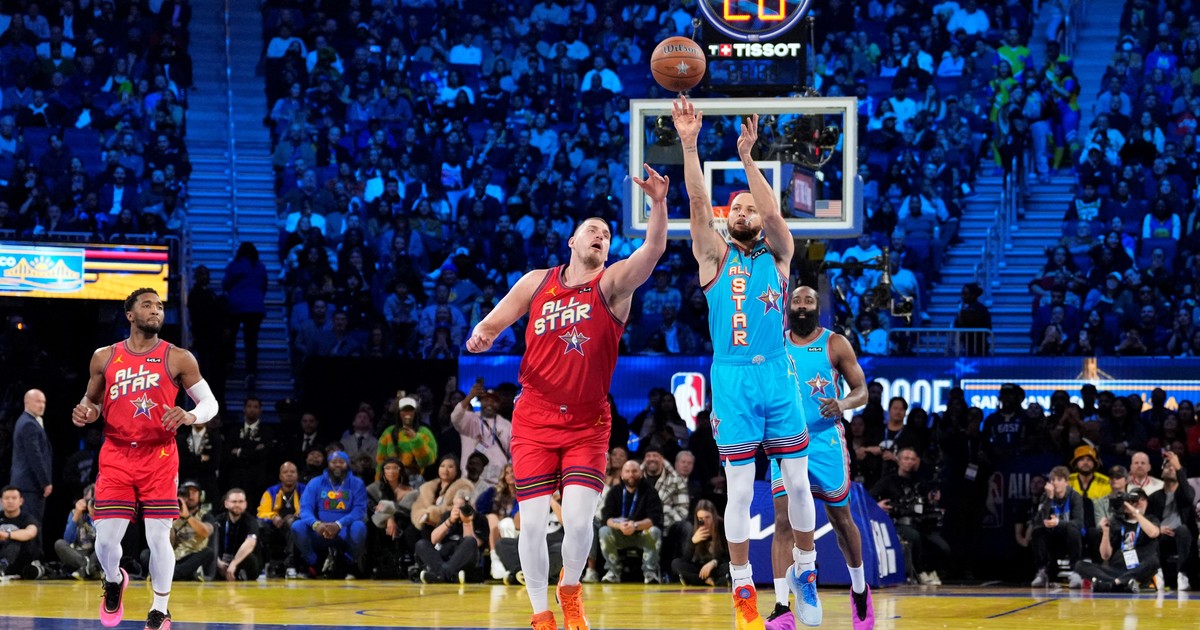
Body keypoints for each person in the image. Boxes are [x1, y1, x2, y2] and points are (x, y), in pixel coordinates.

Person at [465, 162, 668, 630]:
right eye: (592, 231)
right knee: (533, 522)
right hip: (534, 417)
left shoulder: (612, 285)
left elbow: (653, 249)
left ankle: (570, 589)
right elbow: (494, 322)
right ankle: (541, 612)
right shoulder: (537, 281)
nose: (601, 236)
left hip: (587, 423)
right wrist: (482, 334)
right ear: (572, 242)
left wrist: (658, 204)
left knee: (578, 522)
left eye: (607, 234)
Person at [674, 95, 819, 629]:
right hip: (733, 376)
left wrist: (747, 158)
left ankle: (806, 571)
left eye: (749, 208)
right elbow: (697, 200)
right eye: (735, 208)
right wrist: (689, 144)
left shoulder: (779, 253)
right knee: (738, 490)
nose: (743, 212)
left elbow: (775, 212)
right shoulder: (713, 255)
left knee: (798, 483)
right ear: (726, 217)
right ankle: (741, 585)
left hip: (778, 372)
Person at [71, 288, 218, 630]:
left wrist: (190, 415)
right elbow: (92, 401)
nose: (156, 311)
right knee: (106, 541)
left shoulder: (178, 357)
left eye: (160, 306)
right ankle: (113, 579)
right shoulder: (104, 356)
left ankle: (160, 609)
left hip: (159, 454)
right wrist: (86, 412)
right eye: (148, 305)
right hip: (117, 453)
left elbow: (210, 403)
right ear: (130, 314)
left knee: (158, 537)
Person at [766, 286, 873, 630]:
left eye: (808, 301)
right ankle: (782, 606)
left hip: (825, 442)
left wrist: (842, 403)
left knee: (841, 519)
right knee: (783, 520)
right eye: (796, 300)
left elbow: (862, 390)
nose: (801, 306)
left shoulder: (835, 343)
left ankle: (859, 590)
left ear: (817, 307)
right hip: (784, 441)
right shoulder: (774, 343)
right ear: (788, 306)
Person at [293, 450, 368, 578]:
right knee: (297, 526)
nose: (337, 465)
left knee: (359, 527)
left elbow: (359, 510)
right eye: (334, 462)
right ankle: (313, 563)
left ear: (347, 464)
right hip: (320, 529)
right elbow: (305, 508)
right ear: (328, 464)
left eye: (341, 462)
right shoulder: (315, 482)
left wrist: (338, 524)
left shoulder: (357, 483)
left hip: (344, 530)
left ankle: (348, 563)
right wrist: (316, 524)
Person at [1072, 487, 1161, 592]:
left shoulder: (1151, 519)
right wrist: (1105, 531)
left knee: (1154, 561)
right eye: (1135, 501)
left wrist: (1135, 513)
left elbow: (1153, 533)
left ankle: (1112, 584)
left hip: (1140, 569)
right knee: (1080, 565)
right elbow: (1105, 556)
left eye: (1143, 500)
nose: (1139, 503)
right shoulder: (1116, 522)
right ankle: (1121, 583)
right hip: (1117, 570)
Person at [598, 459, 664, 583]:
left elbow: (655, 519)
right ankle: (613, 571)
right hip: (620, 534)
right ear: (622, 475)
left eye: (634, 471)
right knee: (604, 531)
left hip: (642, 534)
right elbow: (606, 518)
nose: (631, 474)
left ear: (641, 473)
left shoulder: (650, 491)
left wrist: (635, 525)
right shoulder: (614, 491)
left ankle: (650, 572)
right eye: (627, 471)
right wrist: (620, 526)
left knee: (655, 531)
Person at [222, 242, 268, 387]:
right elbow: (264, 285)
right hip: (255, 306)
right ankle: (251, 371)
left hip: (235, 305)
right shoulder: (260, 266)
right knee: (251, 341)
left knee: (232, 337)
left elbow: (225, 284)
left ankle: (230, 363)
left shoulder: (234, 265)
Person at [1030, 466, 1084, 588]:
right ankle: (1043, 571)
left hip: (1069, 537)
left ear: (1066, 482)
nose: (1055, 483)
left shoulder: (1074, 496)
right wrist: (1049, 499)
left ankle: (1076, 571)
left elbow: (1079, 523)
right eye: (1052, 480)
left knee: (1072, 529)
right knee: (1037, 531)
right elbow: (1038, 522)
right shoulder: (1046, 496)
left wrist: (1059, 523)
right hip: (1053, 537)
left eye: (1059, 480)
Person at [11, 388, 52, 524]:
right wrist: (45, 482)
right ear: (26, 402)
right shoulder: (29, 423)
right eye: (38, 401)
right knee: (32, 524)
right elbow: (35, 456)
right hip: (30, 485)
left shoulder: (25, 421)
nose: (42, 405)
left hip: (26, 484)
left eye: (43, 402)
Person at [257, 462, 305, 578]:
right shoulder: (271, 491)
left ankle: (291, 565)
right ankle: (262, 564)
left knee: (293, 523)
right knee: (259, 525)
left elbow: (309, 509)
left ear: (297, 475)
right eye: (285, 472)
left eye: (292, 472)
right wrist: (273, 517)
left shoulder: (305, 490)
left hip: (296, 526)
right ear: (280, 476)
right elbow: (261, 512)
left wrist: (295, 516)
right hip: (275, 527)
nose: (289, 475)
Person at [673, 499, 730, 586]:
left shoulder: (722, 527)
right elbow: (685, 559)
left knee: (729, 566)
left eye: (707, 517)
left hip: (717, 566)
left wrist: (714, 562)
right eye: (700, 518)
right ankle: (714, 581)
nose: (704, 522)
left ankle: (695, 580)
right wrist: (692, 542)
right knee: (676, 563)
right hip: (701, 568)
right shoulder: (695, 530)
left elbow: (728, 556)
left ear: (714, 516)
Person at [213, 489, 261, 581]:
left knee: (250, 557)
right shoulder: (218, 520)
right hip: (222, 562)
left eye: (241, 502)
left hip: (240, 561)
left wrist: (234, 563)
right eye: (234, 502)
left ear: (245, 504)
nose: (237, 505)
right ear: (226, 504)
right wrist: (218, 563)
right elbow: (210, 542)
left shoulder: (251, 521)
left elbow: (250, 543)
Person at [0, 486, 40, 577]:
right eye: (6, 498)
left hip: (22, 559)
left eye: (14, 498)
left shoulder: (28, 518)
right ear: (1, 501)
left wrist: (6, 535)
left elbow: (30, 533)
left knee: (16, 539)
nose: (10, 501)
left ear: (21, 501)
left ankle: (2, 566)